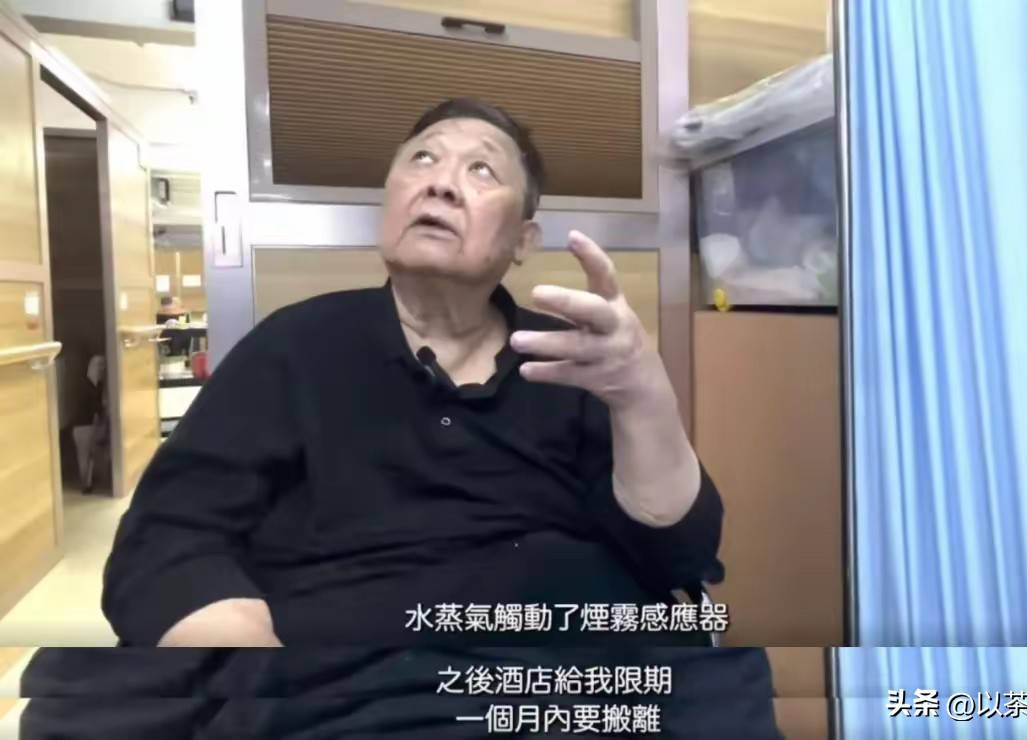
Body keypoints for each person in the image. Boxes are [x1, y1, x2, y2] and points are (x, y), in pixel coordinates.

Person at [22, 99, 781, 738]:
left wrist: (644, 395)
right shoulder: (295, 345)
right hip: (330, 675)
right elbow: (170, 537)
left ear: (523, 241)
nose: (442, 183)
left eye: (481, 170)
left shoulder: (572, 362)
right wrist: (256, 680)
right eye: (422, 159)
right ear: (389, 201)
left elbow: (677, 555)